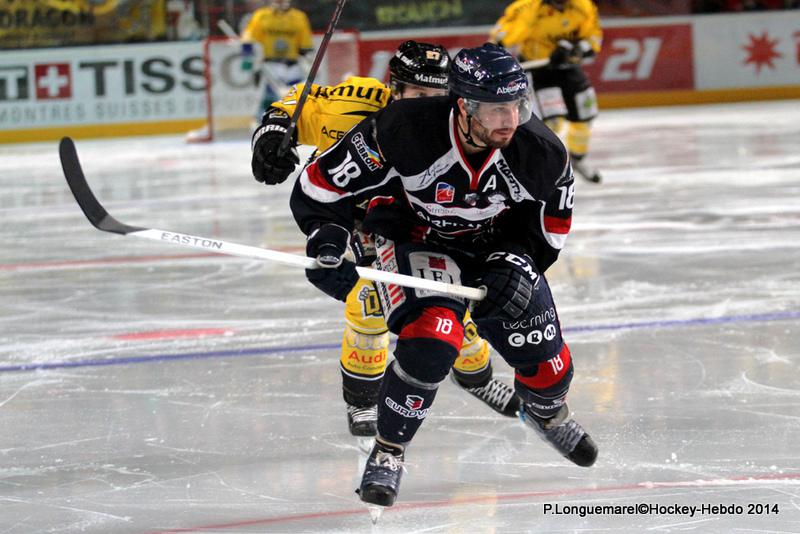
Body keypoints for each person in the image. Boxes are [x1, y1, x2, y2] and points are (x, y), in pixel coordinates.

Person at [288, 43, 598, 508]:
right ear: (463, 105)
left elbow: (551, 228)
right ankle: (389, 450)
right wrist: (327, 234)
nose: (510, 120)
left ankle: (547, 413)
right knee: (432, 340)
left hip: (497, 248)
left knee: (549, 368)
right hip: (416, 240)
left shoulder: (542, 152)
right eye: (495, 109)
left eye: (517, 105)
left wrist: (516, 263)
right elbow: (319, 185)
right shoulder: (401, 129)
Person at [250, 41, 522, 441]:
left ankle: (475, 376)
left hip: (421, 224)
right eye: (418, 95)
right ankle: (363, 399)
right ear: (394, 89)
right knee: (369, 302)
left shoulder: (460, 125)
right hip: (358, 220)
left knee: (448, 307)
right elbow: (295, 104)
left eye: (438, 96)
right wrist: (271, 135)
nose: (430, 105)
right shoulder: (353, 103)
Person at [491, 0, 603, 183]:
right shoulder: (525, 7)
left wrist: (575, 48)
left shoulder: (582, 5)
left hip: (569, 67)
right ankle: (545, 166)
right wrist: (527, 22)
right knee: (551, 123)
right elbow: (501, 38)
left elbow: (593, 37)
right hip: (539, 70)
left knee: (584, 117)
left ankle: (578, 159)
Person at [241, 0, 313, 117]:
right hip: (271, 64)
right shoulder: (261, 16)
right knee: (269, 97)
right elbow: (249, 38)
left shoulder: (299, 17)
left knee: (297, 98)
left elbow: (305, 45)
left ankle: (296, 121)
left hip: (293, 65)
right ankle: (261, 121)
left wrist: (308, 61)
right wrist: (249, 58)